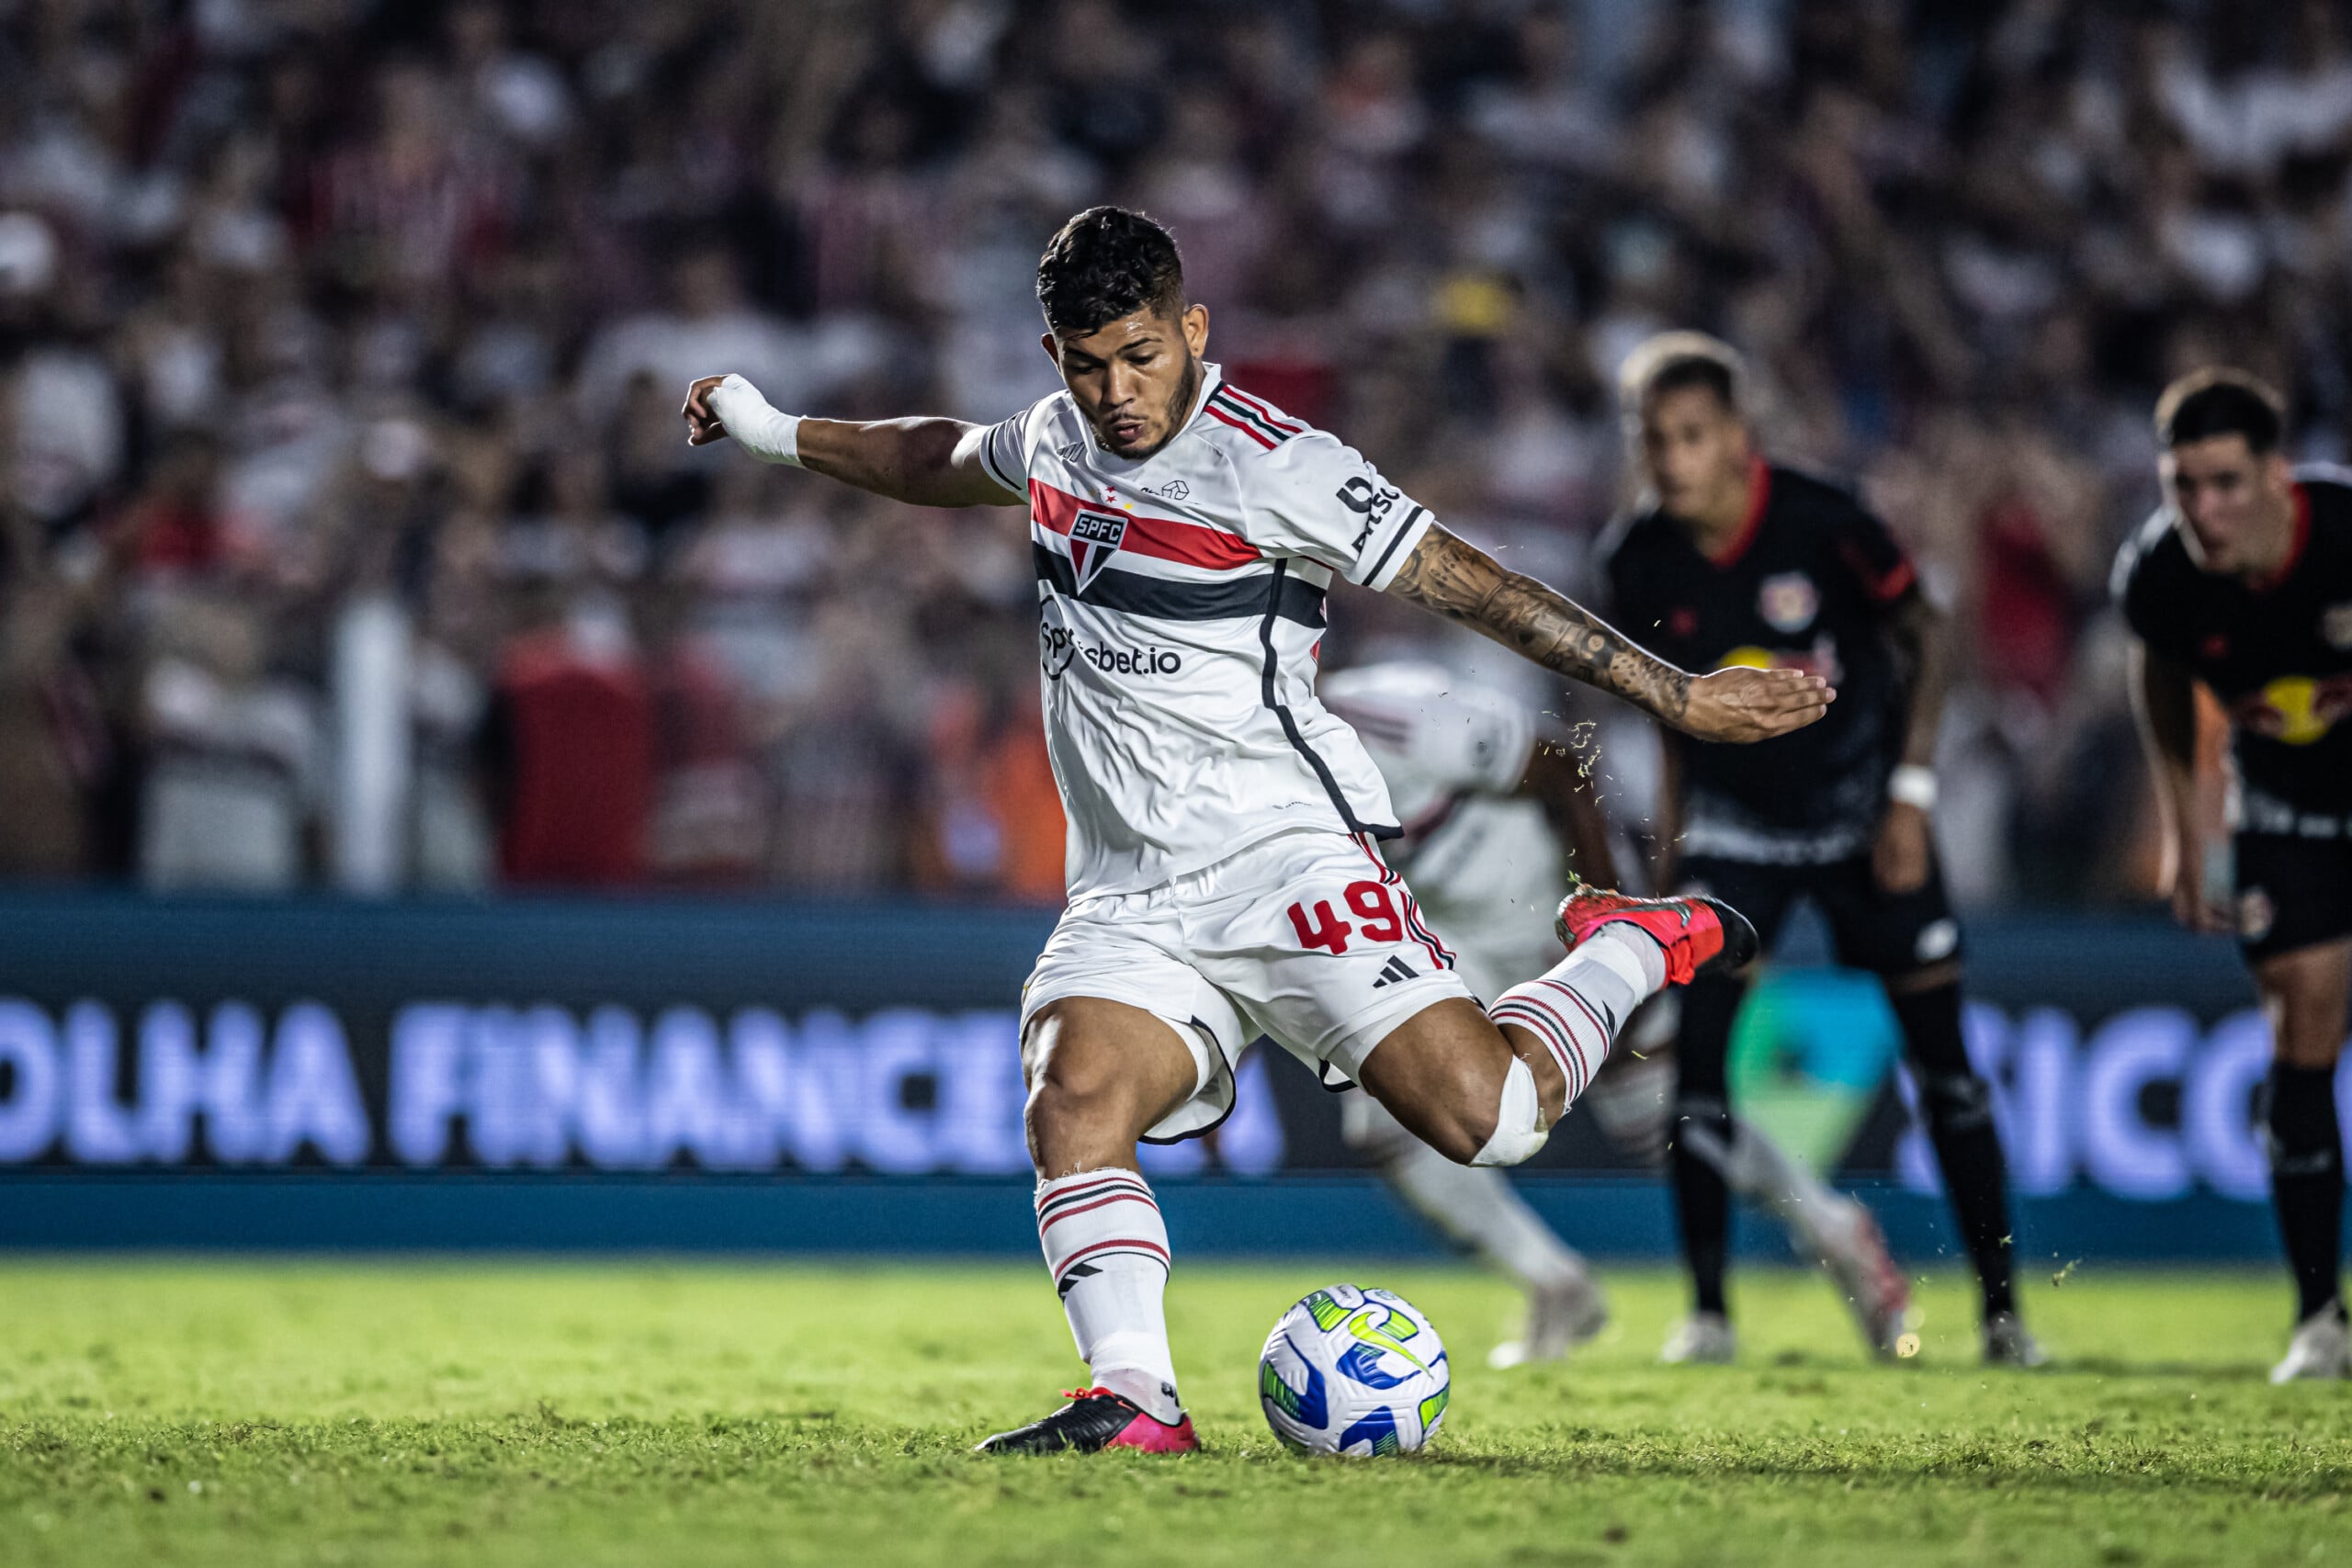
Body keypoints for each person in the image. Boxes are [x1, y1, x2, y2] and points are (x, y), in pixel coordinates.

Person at [683, 209, 1831, 1453]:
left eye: (1139, 356)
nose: (1115, 392)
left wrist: (1678, 691)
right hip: (1130, 889)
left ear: (1193, 328)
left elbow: (1477, 582)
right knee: (1073, 1097)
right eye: (1083, 361)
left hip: (1290, 856)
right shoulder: (1061, 436)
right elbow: (940, 456)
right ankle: (1135, 1396)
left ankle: (1630, 943)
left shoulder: (1277, 462)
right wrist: (767, 429)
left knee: (1488, 1119)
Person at [1600, 333, 2035, 1368]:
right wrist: (1671, 850)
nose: (1670, 460)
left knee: (1948, 1074)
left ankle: (2004, 1316)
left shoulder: (1825, 522)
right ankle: (1707, 1316)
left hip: (1860, 821)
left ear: (1739, 439)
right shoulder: (1635, 557)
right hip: (1737, 833)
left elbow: (1925, 632)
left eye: (1691, 437)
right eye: (1653, 440)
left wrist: (1910, 795)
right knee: (1696, 1071)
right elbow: (1666, 708)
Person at [1321, 660, 1907, 1366]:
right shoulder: (1252, 765)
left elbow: (1563, 767)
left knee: (1660, 1124)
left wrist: (1606, 913)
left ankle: (1834, 1227)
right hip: (1452, 936)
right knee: (1384, 1112)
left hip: (1547, 903)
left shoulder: (1388, 713)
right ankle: (1556, 1284)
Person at [2114, 369, 2352, 1383]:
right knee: (2301, 1020)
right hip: (2283, 816)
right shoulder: (2160, 580)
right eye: (2182, 486)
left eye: (2223, 483)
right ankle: (2318, 1319)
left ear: (2276, 475)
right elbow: (2162, 673)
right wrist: (2182, 824)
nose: (2203, 510)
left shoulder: (2345, 534)